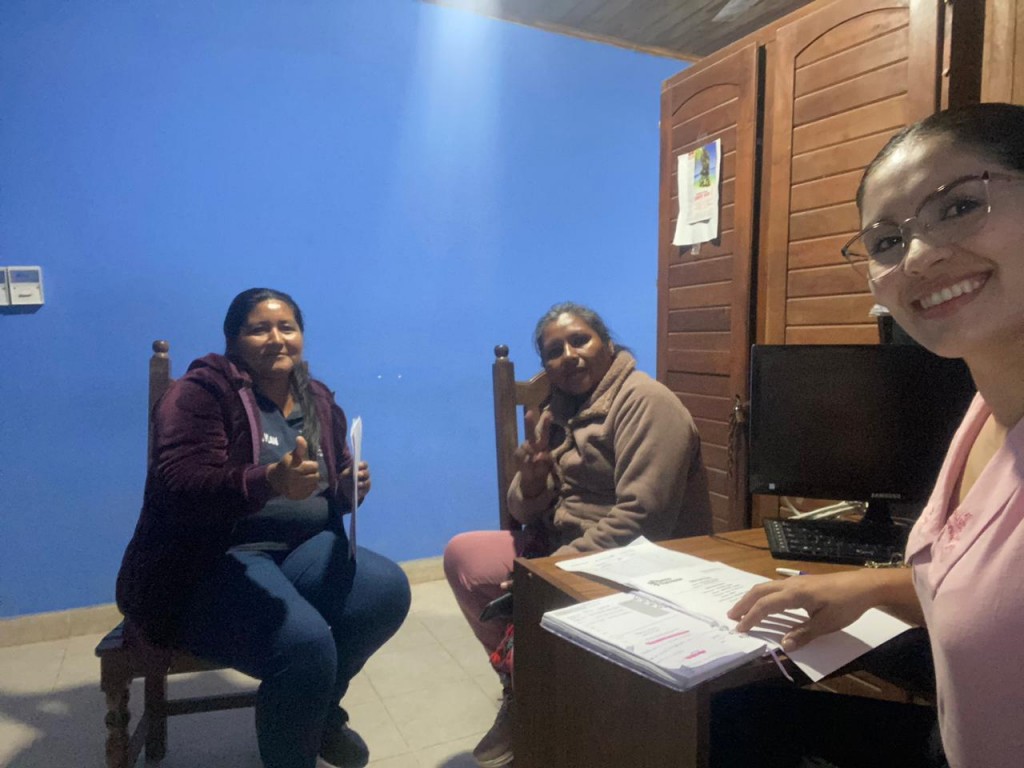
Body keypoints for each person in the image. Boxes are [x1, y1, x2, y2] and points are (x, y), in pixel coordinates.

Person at [721, 102, 1024, 768]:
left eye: (958, 206)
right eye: (886, 242)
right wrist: (868, 588)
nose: (918, 257)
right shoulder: (981, 412)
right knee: (738, 715)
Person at [116, 288, 411, 768]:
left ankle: (318, 713)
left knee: (387, 590)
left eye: (287, 327)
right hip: (212, 560)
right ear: (233, 339)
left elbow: (328, 487)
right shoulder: (201, 393)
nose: (276, 338)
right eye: (259, 329)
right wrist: (269, 480)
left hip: (302, 550)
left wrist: (347, 487)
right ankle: (299, 727)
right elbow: (181, 484)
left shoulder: (316, 397)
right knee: (305, 644)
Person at [445, 301, 712, 767]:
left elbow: (642, 520)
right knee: (463, 555)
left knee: (533, 593)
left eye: (579, 340)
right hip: (566, 546)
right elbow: (520, 507)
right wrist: (532, 481)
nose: (568, 355)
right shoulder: (558, 410)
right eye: (554, 351)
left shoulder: (646, 402)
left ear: (606, 344)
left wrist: (548, 572)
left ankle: (540, 692)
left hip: (643, 561)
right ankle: (522, 684)